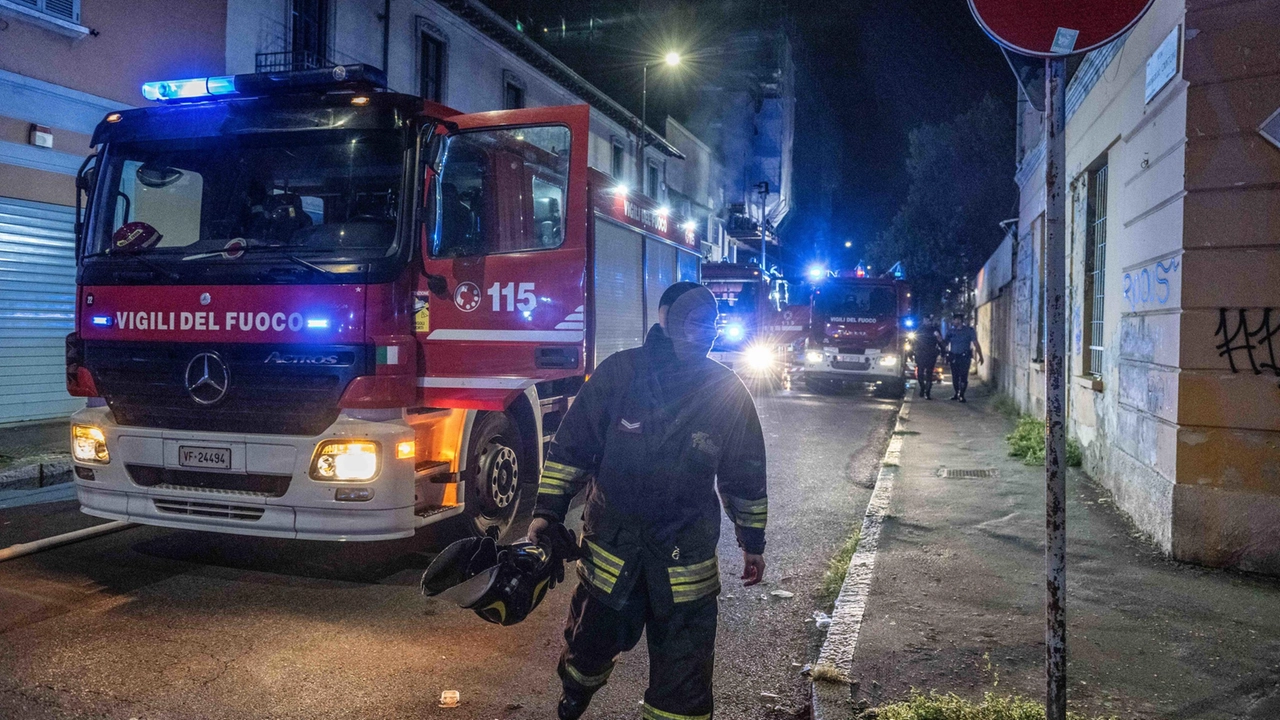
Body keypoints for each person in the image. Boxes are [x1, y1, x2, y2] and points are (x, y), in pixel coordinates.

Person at [527, 281, 768, 720]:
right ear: (667, 321)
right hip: (613, 554)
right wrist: (546, 515)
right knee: (587, 649)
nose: (710, 331)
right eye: (698, 321)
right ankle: (574, 699)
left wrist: (752, 540)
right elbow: (571, 451)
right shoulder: (620, 374)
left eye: (714, 323)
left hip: (684, 563)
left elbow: (744, 473)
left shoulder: (726, 390)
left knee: (684, 684)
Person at [945, 312, 984, 402]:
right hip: (954, 356)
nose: (954, 321)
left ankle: (962, 394)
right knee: (955, 377)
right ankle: (956, 393)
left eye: (955, 320)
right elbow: (945, 343)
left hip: (964, 357)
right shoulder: (951, 331)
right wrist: (940, 339)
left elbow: (975, 343)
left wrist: (980, 356)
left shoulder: (969, 331)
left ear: (959, 320)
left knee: (963, 376)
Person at [913, 314, 944, 399]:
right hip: (921, 354)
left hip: (930, 354)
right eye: (927, 320)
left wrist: (943, 352)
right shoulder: (919, 329)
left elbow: (940, 342)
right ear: (924, 320)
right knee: (920, 374)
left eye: (930, 320)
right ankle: (923, 388)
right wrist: (912, 351)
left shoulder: (935, 330)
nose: (928, 322)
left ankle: (928, 392)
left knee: (929, 374)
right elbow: (914, 341)